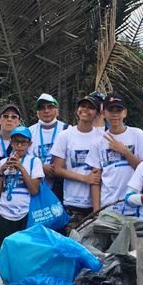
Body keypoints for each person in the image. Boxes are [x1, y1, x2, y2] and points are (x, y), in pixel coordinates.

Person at [0, 127, 44, 259]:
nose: (19, 146)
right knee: (4, 251)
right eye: (16, 142)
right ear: (11, 143)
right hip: (4, 213)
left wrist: (21, 168)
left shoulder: (34, 162)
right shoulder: (3, 162)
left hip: (24, 214)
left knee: (23, 252)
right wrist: (1, 172)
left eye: (23, 142)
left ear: (29, 144)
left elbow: (34, 190)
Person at [52, 94, 105, 223]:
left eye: (90, 108)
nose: (85, 110)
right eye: (83, 106)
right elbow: (57, 169)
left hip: (98, 202)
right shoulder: (65, 136)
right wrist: (85, 178)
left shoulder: (102, 137)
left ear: (97, 113)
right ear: (77, 110)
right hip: (72, 201)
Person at [97, 95, 143, 216]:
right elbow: (96, 178)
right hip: (108, 206)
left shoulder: (137, 134)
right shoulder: (98, 140)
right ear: (103, 113)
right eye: (111, 110)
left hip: (134, 205)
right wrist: (96, 210)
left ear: (125, 113)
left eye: (118, 110)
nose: (115, 114)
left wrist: (124, 151)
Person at [29, 94, 69, 200]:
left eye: (50, 107)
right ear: (37, 113)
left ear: (57, 110)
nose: (46, 111)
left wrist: (58, 168)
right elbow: (24, 159)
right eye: (42, 108)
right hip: (38, 187)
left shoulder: (67, 129)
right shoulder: (30, 132)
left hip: (62, 187)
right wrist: (41, 167)